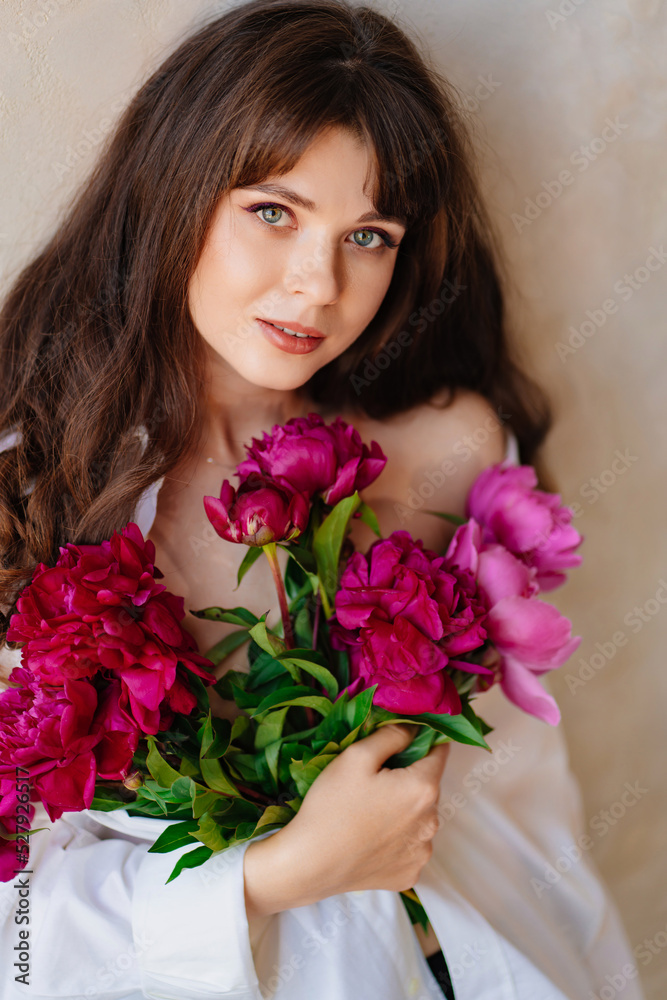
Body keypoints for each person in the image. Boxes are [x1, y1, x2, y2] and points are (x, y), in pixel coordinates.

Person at [0, 1, 643, 998]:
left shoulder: (443, 449)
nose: (315, 286)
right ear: (175, 189)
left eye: (369, 235)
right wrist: (275, 877)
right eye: (273, 211)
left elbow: (523, 802)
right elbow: (16, 945)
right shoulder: (34, 488)